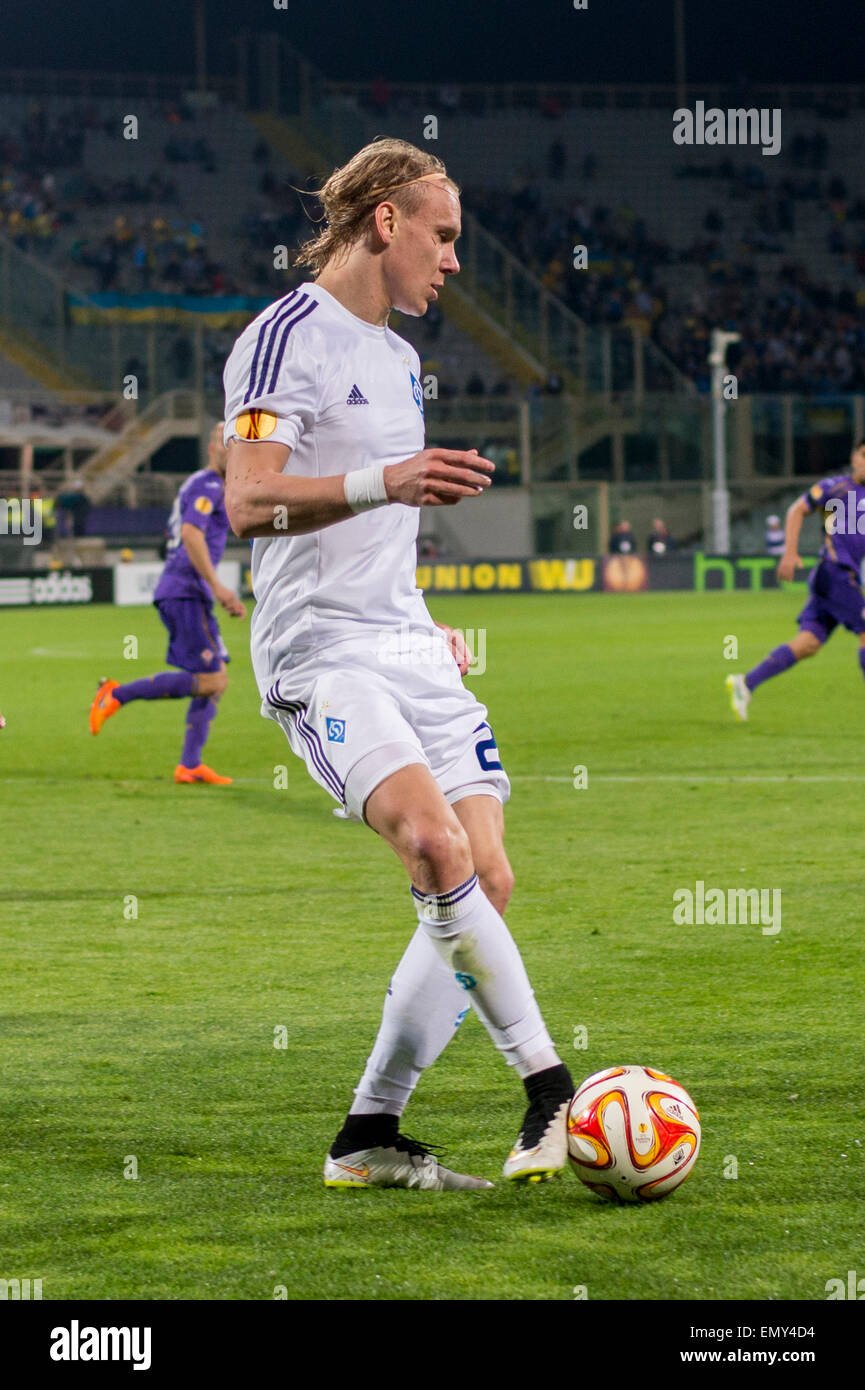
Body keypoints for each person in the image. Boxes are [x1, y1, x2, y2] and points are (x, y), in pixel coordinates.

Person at [222, 136, 573, 1192]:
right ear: (386, 220)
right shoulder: (288, 337)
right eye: (445, 235)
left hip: (403, 644)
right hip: (320, 654)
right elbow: (247, 499)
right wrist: (384, 477)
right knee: (430, 838)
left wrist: (423, 624)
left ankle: (369, 1131)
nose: (454, 260)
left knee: (485, 871)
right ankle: (550, 1088)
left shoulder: (401, 358)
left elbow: (379, 535)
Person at [88, 423, 246, 783]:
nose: (232, 449)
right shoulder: (207, 485)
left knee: (215, 680)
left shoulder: (209, 486)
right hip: (185, 590)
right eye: (225, 442)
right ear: (211, 448)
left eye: (237, 443)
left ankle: (189, 764)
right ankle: (116, 693)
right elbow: (191, 533)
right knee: (210, 681)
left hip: (189, 593)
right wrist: (220, 587)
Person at [727, 440, 865, 721]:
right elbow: (796, 510)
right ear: (853, 457)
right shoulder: (833, 488)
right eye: (864, 455)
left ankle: (746, 683)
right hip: (835, 574)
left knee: (808, 643)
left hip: (838, 580)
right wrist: (789, 553)